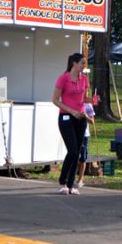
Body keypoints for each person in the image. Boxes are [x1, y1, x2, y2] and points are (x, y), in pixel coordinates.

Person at [52, 53, 95, 195]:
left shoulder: (84, 79)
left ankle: (71, 185)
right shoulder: (63, 78)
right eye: (82, 63)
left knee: (77, 152)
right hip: (66, 117)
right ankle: (63, 181)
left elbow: (84, 98)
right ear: (74, 63)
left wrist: (93, 100)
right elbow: (55, 100)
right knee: (73, 150)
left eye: (85, 63)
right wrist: (71, 111)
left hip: (80, 118)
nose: (84, 65)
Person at [75, 102, 96, 189]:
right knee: (73, 156)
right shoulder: (73, 101)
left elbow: (92, 121)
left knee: (82, 158)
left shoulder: (88, 105)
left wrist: (85, 116)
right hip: (74, 133)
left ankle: (80, 179)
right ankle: (70, 178)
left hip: (84, 135)